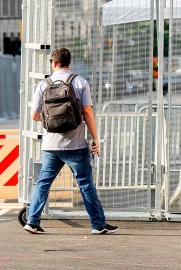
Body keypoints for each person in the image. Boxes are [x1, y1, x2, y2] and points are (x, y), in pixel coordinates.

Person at [23, 47, 118, 235]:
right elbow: (88, 113)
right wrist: (95, 138)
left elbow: (34, 115)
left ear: (53, 63)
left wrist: (53, 120)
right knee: (85, 184)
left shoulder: (43, 85)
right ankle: (98, 225)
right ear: (70, 62)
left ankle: (32, 221)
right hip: (75, 145)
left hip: (50, 146)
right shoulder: (80, 82)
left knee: (43, 183)